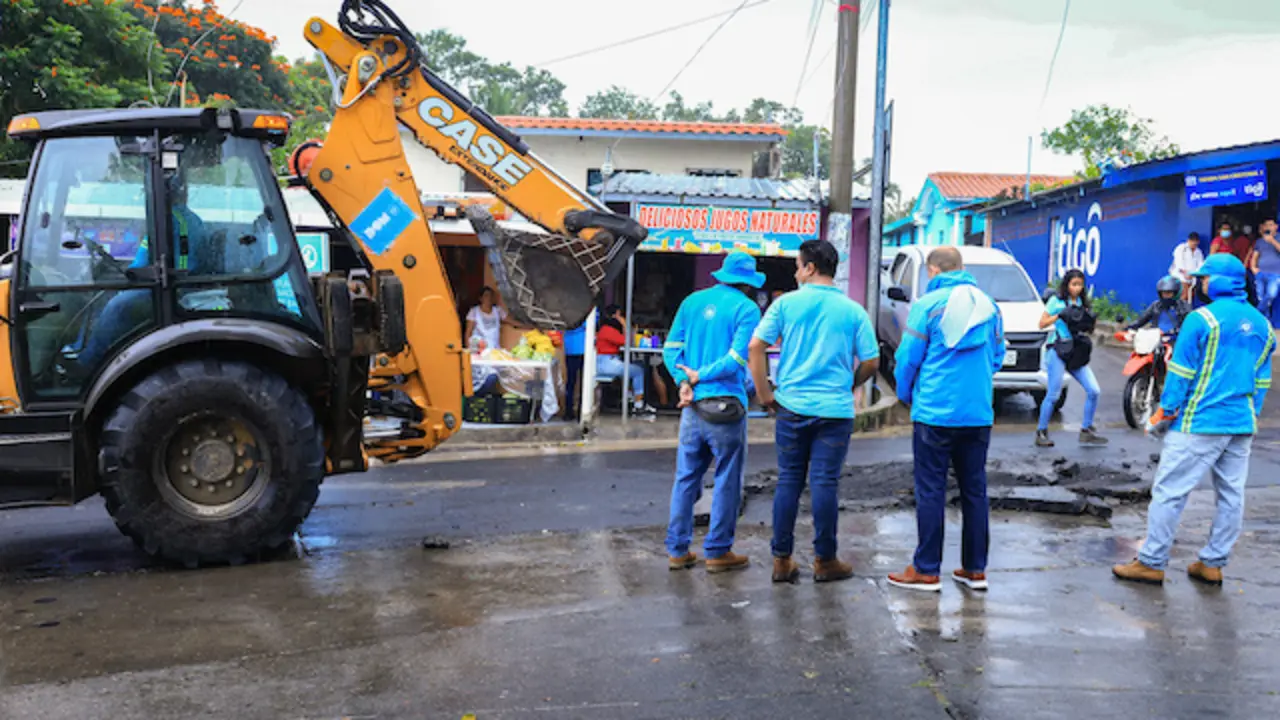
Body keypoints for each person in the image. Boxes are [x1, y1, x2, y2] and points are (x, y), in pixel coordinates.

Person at [1113, 253, 1275, 586]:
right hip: (1241, 423)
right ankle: (1212, 563)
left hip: (1199, 422)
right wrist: (1251, 414)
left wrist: (1162, 413)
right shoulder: (1262, 325)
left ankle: (1151, 561)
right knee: (1231, 495)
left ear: (1218, 282)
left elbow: (1180, 374)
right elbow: (1262, 381)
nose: (1199, 284)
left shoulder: (1201, 320)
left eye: (1203, 278)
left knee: (1169, 492)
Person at [748, 239, 879, 584]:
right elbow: (871, 361)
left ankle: (781, 560)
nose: (795, 273)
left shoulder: (785, 304)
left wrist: (765, 395)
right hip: (835, 411)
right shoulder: (853, 310)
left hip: (791, 406)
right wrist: (849, 385)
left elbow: (756, 346)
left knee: (789, 480)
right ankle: (825, 560)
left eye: (797, 266)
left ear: (810, 268)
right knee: (824, 483)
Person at [887, 247, 1005, 592]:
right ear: (962, 268)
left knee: (931, 490)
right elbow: (998, 356)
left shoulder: (927, 305)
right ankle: (975, 569)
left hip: (935, 412)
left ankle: (926, 570)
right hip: (977, 413)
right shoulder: (989, 306)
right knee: (974, 490)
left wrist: (906, 394)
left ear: (933, 270)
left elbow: (908, 359)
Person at [662, 251, 764, 573]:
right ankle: (718, 551)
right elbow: (737, 359)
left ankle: (677, 550)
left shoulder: (692, 302)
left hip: (692, 407)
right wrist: (699, 376)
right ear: (748, 283)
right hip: (726, 407)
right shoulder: (747, 309)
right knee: (727, 479)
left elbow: (670, 349)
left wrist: (683, 381)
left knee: (686, 477)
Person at [79, 173, 208, 370]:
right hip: (152, 279)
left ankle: (87, 364)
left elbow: (183, 269)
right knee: (101, 298)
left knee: (117, 306)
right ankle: (82, 350)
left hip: (173, 288)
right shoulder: (163, 220)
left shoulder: (177, 220)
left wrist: (137, 274)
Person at [1035, 269, 1106, 448]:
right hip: (1058, 349)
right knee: (1053, 394)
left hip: (1076, 350)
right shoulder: (1056, 301)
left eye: (1080, 285)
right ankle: (1041, 432)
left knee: (1094, 390)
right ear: (1067, 285)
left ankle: (1086, 430)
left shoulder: (1082, 302)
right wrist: (1059, 315)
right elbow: (1041, 323)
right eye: (1074, 284)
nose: (1077, 288)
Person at [596, 304, 655, 414]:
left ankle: (631, 396)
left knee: (639, 365)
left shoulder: (609, 330)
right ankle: (638, 404)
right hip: (606, 363)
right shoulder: (607, 330)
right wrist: (624, 323)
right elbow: (627, 341)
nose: (621, 317)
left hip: (610, 361)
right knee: (638, 371)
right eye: (619, 315)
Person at [1124, 275, 1191, 338]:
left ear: (1176, 293)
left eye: (1169, 293)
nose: (1165, 296)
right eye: (1163, 293)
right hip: (1155, 340)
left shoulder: (1184, 307)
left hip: (1177, 341)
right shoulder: (1155, 306)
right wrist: (1126, 329)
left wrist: (1173, 332)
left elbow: (1189, 327)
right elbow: (1140, 321)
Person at [1250, 218, 1280, 326]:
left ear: (1276, 226)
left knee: (1271, 294)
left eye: (1271, 225)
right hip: (1261, 273)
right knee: (1261, 298)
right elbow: (1255, 256)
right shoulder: (1260, 241)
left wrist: (1272, 241)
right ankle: (1265, 322)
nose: (1269, 227)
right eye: (1267, 225)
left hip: (1276, 274)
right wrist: (1253, 267)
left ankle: (1255, 314)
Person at [464, 286, 513, 352]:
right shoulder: (474, 312)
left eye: (491, 295)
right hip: (479, 349)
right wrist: (468, 351)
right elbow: (468, 333)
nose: (489, 298)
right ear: (480, 298)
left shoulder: (497, 310)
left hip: (494, 348)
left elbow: (511, 321)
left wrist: (524, 325)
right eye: (486, 295)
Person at [560, 321, 586, 421]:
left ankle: (569, 412)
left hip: (570, 349)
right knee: (583, 383)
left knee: (570, 382)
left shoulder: (568, 315)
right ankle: (580, 412)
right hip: (583, 349)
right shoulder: (588, 314)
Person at [1169, 231, 1204, 302]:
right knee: (1184, 295)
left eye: (1195, 241)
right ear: (1188, 240)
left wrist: (1194, 274)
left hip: (1192, 277)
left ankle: (1185, 309)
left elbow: (1201, 264)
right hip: (1179, 276)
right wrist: (1185, 273)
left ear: (1198, 242)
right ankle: (1179, 309)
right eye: (1192, 241)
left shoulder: (1199, 252)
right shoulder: (1181, 248)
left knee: (1190, 296)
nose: (1194, 243)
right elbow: (1179, 262)